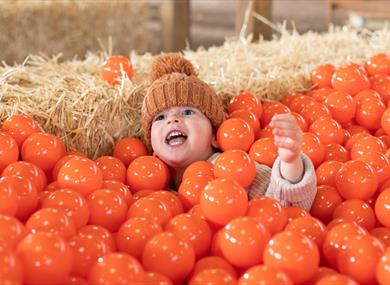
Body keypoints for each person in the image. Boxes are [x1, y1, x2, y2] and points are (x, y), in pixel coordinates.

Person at [141, 53, 316, 211]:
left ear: (215, 135)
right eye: (160, 117)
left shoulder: (234, 166)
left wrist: (290, 162)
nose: (173, 120)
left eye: (187, 112)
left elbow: (287, 205)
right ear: (153, 148)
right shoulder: (148, 183)